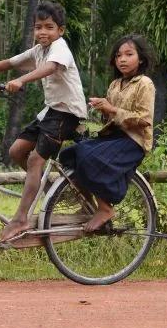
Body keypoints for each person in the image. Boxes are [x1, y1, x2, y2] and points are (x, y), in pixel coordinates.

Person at [0, 0, 87, 243]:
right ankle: (50, 188)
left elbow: (50, 68)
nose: (43, 32)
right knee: (16, 150)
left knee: (34, 161)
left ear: (60, 31)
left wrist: (22, 81)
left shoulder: (59, 48)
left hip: (68, 114)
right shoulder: (38, 51)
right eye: (39, 27)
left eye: (49, 27)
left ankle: (20, 219)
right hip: (51, 111)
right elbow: (10, 63)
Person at [59, 34, 155, 233]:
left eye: (129, 54)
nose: (122, 59)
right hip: (114, 138)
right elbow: (110, 120)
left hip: (133, 142)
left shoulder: (144, 83)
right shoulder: (114, 85)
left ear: (141, 59)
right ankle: (87, 204)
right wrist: (103, 109)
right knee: (71, 154)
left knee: (88, 157)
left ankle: (105, 209)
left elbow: (144, 120)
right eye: (119, 55)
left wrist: (111, 109)